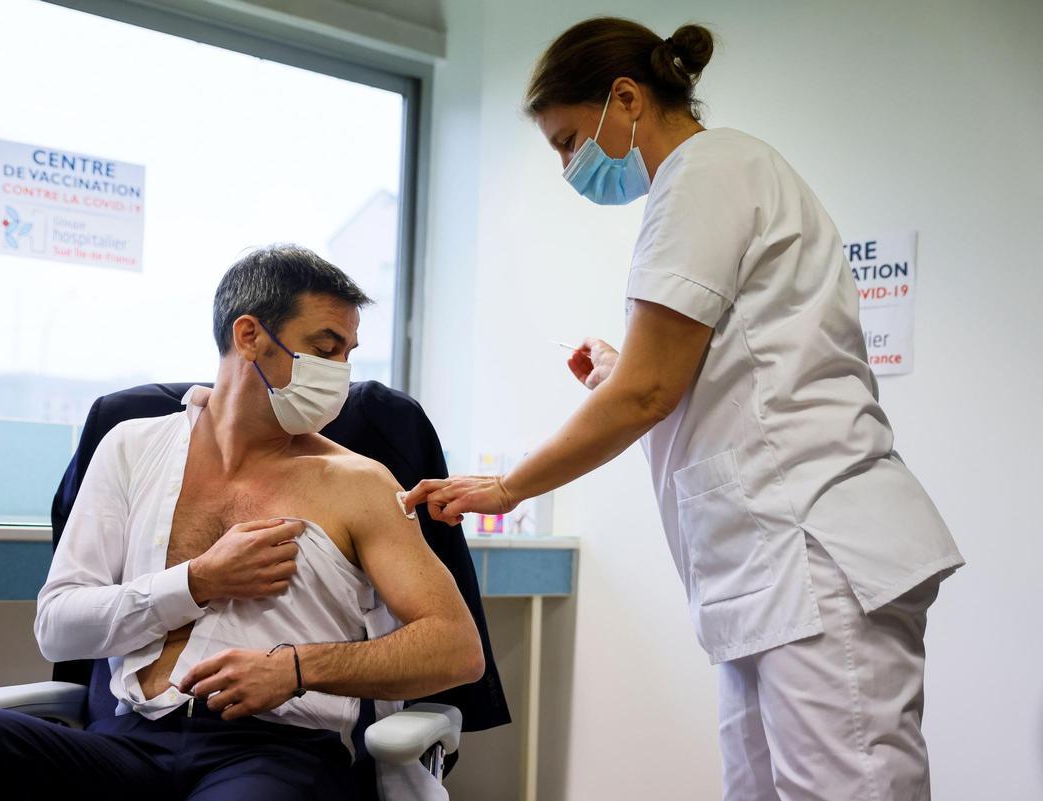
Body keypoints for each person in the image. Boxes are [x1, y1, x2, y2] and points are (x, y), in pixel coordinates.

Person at [401, 17, 963, 801]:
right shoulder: (709, 182)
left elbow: (650, 391)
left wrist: (506, 488)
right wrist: (622, 374)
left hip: (811, 549)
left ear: (625, 98)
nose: (569, 167)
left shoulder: (708, 170)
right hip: (761, 569)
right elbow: (699, 374)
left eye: (568, 141)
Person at [0, 245, 485, 801]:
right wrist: (197, 581)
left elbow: (456, 650)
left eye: (348, 356)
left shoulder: (358, 482)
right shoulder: (130, 446)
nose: (341, 374)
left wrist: (295, 668)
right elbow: (58, 628)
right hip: (125, 744)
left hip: (275, 752)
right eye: (326, 349)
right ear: (249, 336)